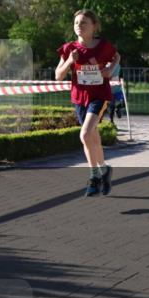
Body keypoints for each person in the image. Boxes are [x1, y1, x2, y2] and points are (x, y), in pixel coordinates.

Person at [55, 10, 120, 197]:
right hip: (79, 97)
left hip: (99, 95)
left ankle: (94, 178)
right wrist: (69, 61)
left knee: (85, 134)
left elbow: (117, 57)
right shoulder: (68, 48)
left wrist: (109, 68)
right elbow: (58, 76)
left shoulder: (103, 46)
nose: (79, 26)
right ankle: (104, 169)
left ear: (94, 26)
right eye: (76, 22)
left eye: (84, 23)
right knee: (92, 137)